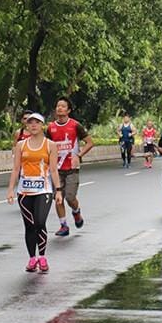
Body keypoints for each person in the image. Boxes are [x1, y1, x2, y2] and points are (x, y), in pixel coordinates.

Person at [6, 112, 63, 273]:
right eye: (30, 123)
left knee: (39, 222)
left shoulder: (50, 145)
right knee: (29, 226)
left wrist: (58, 191)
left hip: (43, 190)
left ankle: (42, 257)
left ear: (42, 125)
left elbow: (53, 169)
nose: (33, 125)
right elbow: (16, 168)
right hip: (24, 191)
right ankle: (32, 258)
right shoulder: (21, 145)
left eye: (37, 122)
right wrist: (10, 189)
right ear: (27, 126)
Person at [46, 97, 94, 236]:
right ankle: (64, 225)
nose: (59, 108)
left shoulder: (75, 125)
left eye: (62, 106)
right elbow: (47, 146)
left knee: (70, 197)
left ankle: (76, 212)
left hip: (72, 168)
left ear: (68, 110)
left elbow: (90, 142)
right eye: (57, 106)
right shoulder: (51, 128)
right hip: (56, 169)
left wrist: (79, 155)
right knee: (58, 197)